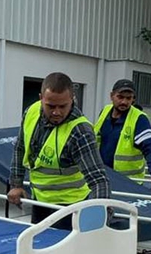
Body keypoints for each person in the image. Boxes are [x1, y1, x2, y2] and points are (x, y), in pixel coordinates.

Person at [7, 72, 110, 229]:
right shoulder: (31, 112)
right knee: (39, 242)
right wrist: (16, 184)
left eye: (63, 106)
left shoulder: (80, 132)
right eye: (50, 106)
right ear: (41, 98)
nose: (56, 112)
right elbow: (20, 147)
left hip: (69, 207)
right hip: (39, 201)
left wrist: (100, 218)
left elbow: (98, 180)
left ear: (72, 99)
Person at [95, 79, 151, 193]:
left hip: (129, 184)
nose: (124, 102)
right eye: (120, 97)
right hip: (104, 179)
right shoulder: (105, 112)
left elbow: (150, 148)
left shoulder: (139, 119)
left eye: (128, 98)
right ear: (112, 96)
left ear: (133, 99)